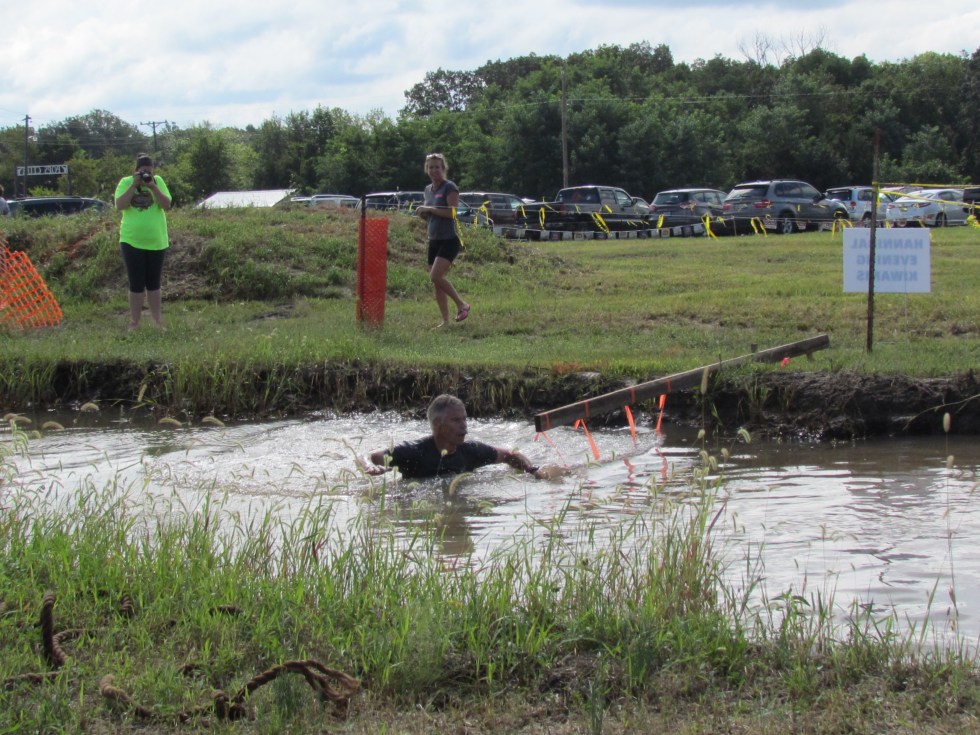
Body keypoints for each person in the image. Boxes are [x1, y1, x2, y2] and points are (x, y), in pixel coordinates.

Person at [363, 394, 541, 480]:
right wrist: (371, 467)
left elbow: (509, 455)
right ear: (437, 424)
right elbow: (371, 456)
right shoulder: (415, 452)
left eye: (464, 418)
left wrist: (532, 470)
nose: (464, 425)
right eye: (456, 420)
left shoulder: (471, 451)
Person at [114, 153, 172, 330]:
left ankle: (158, 321)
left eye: (149, 171)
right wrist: (134, 185)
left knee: (154, 283)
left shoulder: (158, 182)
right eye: (143, 171)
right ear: (136, 171)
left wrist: (153, 187)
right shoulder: (126, 182)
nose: (146, 174)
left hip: (156, 240)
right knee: (136, 283)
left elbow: (167, 205)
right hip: (131, 241)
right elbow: (120, 205)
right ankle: (135, 322)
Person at [415, 153, 470, 328]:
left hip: (450, 238)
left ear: (443, 168)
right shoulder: (427, 189)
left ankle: (462, 305)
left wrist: (430, 209)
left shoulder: (449, 187)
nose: (434, 170)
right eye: (430, 167)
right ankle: (445, 322)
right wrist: (424, 213)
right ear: (426, 169)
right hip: (434, 239)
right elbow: (431, 215)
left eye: (437, 167)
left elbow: (452, 212)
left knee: (436, 276)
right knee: (437, 282)